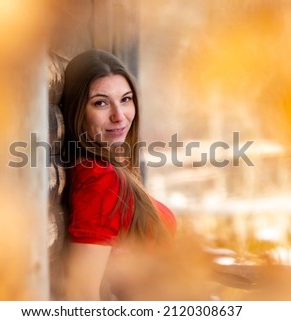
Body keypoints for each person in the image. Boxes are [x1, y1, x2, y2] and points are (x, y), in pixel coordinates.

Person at [58, 49, 177, 300]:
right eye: (101, 102)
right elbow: (81, 293)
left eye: (125, 99)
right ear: (76, 110)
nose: (119, 116)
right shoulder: (101, 180)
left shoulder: (111, 167)